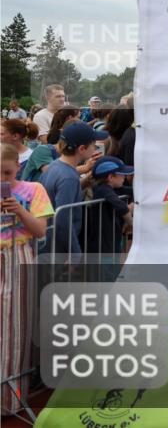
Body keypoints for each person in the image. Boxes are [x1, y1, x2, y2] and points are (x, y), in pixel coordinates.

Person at [1, 143, 53, 416]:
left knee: (15, 330)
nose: (2, 180)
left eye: (7, 173)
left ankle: (8, 401)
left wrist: (19, 211)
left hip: (18, 258)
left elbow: (40, 232)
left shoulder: (34, 190)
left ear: (18, 168)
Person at [40, 122, 107, 257]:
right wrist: (75, 252)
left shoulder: (54, 166)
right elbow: (62, 219)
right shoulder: (68, 177)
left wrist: (85, 181)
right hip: (57, 248)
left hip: (48, 242)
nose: (95, 148)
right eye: (93, 144)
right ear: (82, 148)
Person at [82, 156, 134, 267]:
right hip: (102, 245)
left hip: (109, 241)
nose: (124, 177)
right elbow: (121, 207)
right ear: (110, 177)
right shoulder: (103, 189)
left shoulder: (112, 188)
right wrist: (131, 223)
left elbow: (132, 191)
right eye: (122, 174)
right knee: (106, 274)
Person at [21, 106, 84, 182]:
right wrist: (86, 167)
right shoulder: (43, 149)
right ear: (70, 118)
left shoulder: (74, 151)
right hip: (30, 193)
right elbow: (55, 173)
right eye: (78, 117)